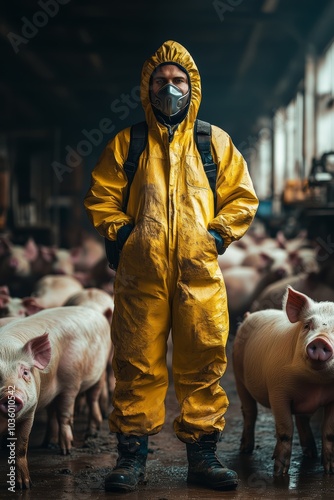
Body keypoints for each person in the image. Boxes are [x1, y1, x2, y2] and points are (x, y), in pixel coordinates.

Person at [84, 40, 259, 493]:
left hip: (199, 275)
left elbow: (242, 197)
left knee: (203, 362)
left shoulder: (213, 141)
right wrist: (126, 235)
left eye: (178, 80)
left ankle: (203, 458)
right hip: (141, 277)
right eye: (160, 80)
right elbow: (102, 197)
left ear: (192, 87)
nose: (170, 87)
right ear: (147, 87)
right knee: (137, 365)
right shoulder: (128, 142)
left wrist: (215, 236)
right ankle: (131, 460)